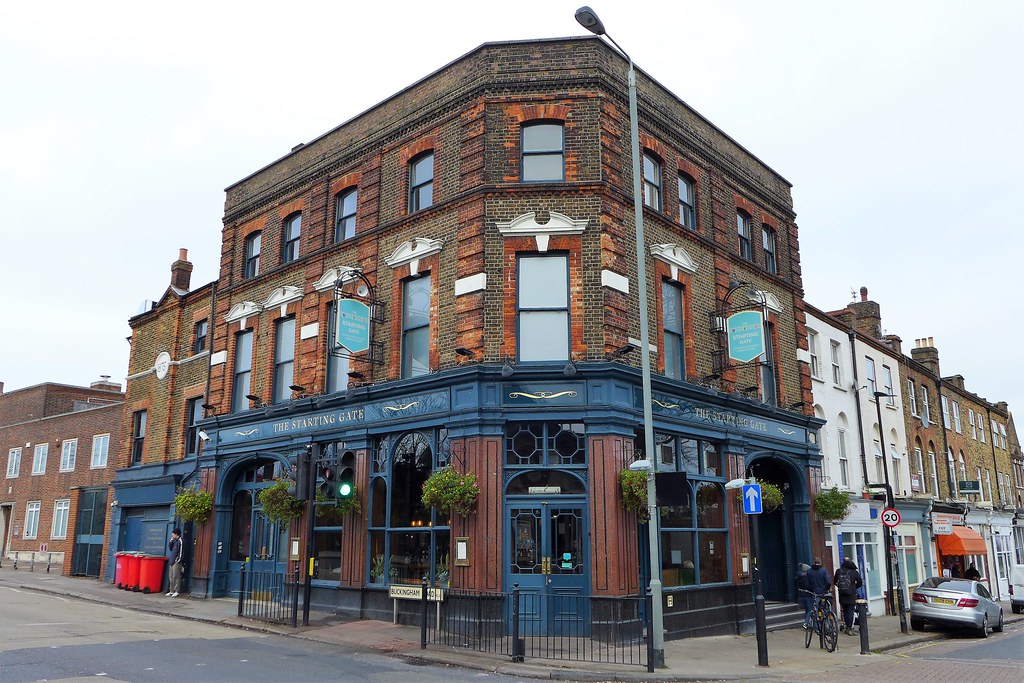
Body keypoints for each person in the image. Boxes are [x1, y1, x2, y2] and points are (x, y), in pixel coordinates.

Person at [834, 557, 863, 635]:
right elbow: (860, 582)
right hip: (851, 595)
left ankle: (847, 626)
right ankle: (850, 628)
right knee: (851, 611)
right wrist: (854, 587)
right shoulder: (854, 572)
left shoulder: (838, 571)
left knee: (845, 611)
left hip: (842, 595)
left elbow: (835, 582)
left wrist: (842, 588)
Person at [795, 563, 813, 629]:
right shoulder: (806, 578)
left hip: (802, 595)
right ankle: (806, 623)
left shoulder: (799, 577)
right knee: (809, 610)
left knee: (806, 609)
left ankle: (807, 622)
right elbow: (808, 586)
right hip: (808, 595)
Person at [166, 528, 183, 597]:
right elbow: (171, 548)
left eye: (173, 534)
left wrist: (178, 560)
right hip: (172, 561)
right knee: (171, 577)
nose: (172, 535)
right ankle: (171, 591)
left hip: (176, 562)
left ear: (176, 534)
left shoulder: (180, 541)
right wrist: (171, 542)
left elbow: (181, 552)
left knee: (176, 577)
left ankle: (176, 591)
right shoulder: (174, 541)